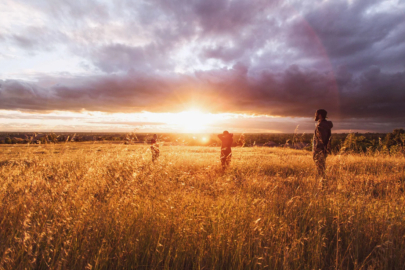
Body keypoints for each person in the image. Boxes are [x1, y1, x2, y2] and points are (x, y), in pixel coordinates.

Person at [313, 109, 333, 182]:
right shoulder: (324, 124)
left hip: (320, 149)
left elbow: (322, 139)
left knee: (320, 168)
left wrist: (318, 149)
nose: (315, 116)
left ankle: (322, 183)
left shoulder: (321, 125)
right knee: (321, 167)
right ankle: (322, 181)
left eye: (316, 114)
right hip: (322, 149)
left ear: (320, 115)